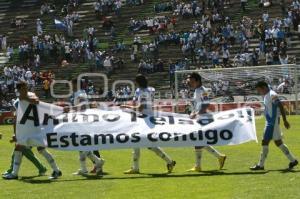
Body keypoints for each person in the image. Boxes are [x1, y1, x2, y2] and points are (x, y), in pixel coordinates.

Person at [3, 81, 62, 180]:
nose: (25, 90)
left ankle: (56, 170)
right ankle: (14, 173)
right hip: (26, 130)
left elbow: (36, 101)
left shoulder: (29, 96)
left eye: (26, 87)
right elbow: (16, 119)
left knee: (40, 149)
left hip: (35, 129)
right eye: (23, 88)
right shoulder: (17, 102)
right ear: (18, 90)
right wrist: (16, 133)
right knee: (19, 147)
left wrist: (25, 98)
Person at [121, 74, 176, 174]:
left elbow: (140, 108)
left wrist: (126, 107)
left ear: (138, 82)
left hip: (145, 120)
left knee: (149, 144)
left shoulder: (143, 92)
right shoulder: (150, 89)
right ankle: (136, 167)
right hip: (148, 118)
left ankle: (169, 161)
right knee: (137, 142)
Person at [250, 81, 298, 170]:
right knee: (278, 142)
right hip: (270, 122)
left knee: (265, 142)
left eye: (259, 90)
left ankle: (261, 165)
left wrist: (284, 120)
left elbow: (280, 106)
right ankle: (293, 160)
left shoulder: (272, 94)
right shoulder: (267, 95)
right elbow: (269, 108)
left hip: (272, 123)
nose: (259, 92)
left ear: (264, 87)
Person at [186, 73, 227, 172]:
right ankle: (219, 157)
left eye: (191, 82)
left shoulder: (203, 90)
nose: (190, 84)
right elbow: (198, 105)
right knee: (199, 141)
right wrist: (193, 112)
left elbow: (206, 104)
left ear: (197, 81)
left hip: (203, 118)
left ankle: (199, 165)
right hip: (199, 118)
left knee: (198, 140)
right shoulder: (197, 90)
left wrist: (197, 114)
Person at [68, 79, 105, 176]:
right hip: (83, 121)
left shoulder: (80, 94)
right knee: (83, 146)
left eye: (72, 84)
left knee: (82, 145)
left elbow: (82, 106)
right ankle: (90, 165)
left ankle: (94, 164)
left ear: (76, 84)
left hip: (82, 122)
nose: (71, 86)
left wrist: (70, 109)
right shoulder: (81, 93)